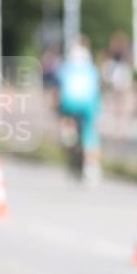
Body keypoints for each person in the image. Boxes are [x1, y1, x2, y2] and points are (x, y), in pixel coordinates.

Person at [57, 39, 103, 184]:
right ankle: (92, 167)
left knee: (65, 116)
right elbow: (96, 91)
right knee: (90, 133)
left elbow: (58, 87)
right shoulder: (92, 69)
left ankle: (67, 133)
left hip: (69, 103)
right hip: (87, 105)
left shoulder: (66, 67)